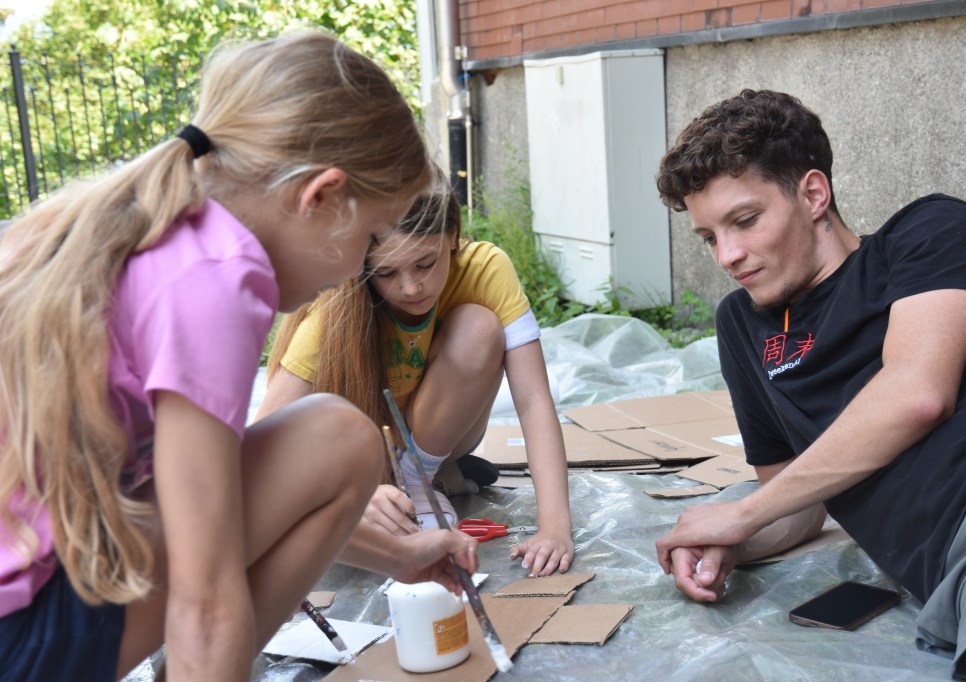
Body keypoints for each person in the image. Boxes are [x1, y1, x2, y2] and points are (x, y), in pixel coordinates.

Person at [0, 30, 479, 682]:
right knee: (341, 440)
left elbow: (210, 501)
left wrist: (399, 554)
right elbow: (205, 605)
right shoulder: (219, 282)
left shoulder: (164, 230)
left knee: (337, 440)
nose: (356, 272)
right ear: (320, 198)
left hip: (33, 600)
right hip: (25, 641)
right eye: (369, 237)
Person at [652, 89, 966, 681]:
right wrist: (731, 542)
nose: (727, 255)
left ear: (813, 194)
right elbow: (798, 505)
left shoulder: (929, 231)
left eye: (744, 221)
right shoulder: (742, 327)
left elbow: (918, 394)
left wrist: (742, 513)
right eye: (709, 237)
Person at [258, 178, 576, 578]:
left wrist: (555, 528)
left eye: (426, 263)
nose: (411, 288)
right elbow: (262, 448)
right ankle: (416, 487)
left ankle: (417, 481)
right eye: (386, 272)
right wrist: (348, 497)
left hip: (436, 438)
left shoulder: (486, 268)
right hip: (353, 457)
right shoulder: (336, 307)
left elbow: (533, 401)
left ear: (453, 236)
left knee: (479, 327)